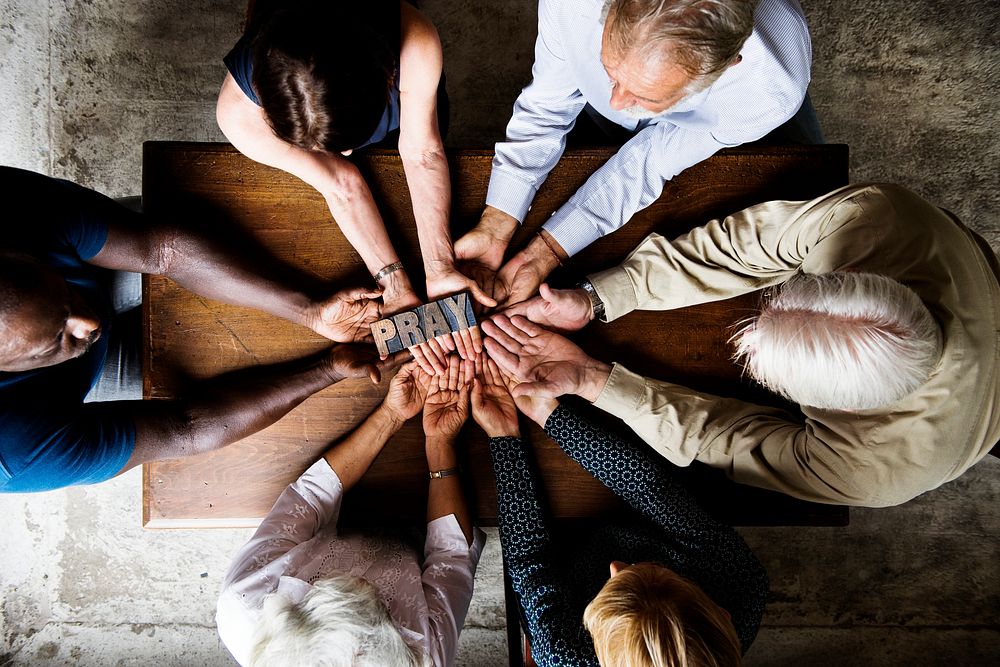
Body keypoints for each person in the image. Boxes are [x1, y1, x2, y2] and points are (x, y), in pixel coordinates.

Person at [483, 183, 1000, 507]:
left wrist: (595, 381)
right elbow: (745, 248)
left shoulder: (873, 474)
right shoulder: (877, 217)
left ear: (837, 408)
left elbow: (726, 443)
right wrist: (597, 297)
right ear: (852, 273)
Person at [0, 166, 397, 493]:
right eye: (56, 337)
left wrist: (310, 311)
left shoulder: (17, 208)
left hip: (88, 261)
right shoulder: (19, 450)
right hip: (55, 392)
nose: (90, 324)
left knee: (188, 215)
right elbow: (184, 428)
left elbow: (162, 250)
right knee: (195, 372)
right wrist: (326, 369)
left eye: (64, 298)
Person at [454, 0, 816, 308]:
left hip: (745, 117)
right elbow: (547, 108)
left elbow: (651, 162)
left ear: (728, 65)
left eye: (645, 96)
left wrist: (546, 253)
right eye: (610, 71)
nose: (616, 103)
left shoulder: (770, 90)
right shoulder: (574, 6)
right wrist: (497, 222)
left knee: (806, 176)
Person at [217, 0, 494, 372]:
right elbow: (338, 181)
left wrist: (439, 265)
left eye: (344, 145)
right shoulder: (238, 118)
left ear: (386, 77)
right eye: (321, 149)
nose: (345, 153)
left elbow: (422, 152)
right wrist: (394, 283)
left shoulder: (415, 41)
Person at [469, 355, 767, 666]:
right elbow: (652, 489)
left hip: (564, 557)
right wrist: (550, 416)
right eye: (655, 570)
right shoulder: (741, 582)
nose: (615, 566)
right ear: (722, 614)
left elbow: (530, 561)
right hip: (658, 514)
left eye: (613, 586)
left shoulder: (565, 655)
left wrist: (504, 436)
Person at [217, 356, 486, 667]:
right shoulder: (423, 658)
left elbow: (310, 497)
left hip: (329, 526)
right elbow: (451, 556)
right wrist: (441, 441)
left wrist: (391, 415)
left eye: (348, 592)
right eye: (375, 603)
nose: (363, 584)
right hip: (416, 550)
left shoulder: (246, 600)